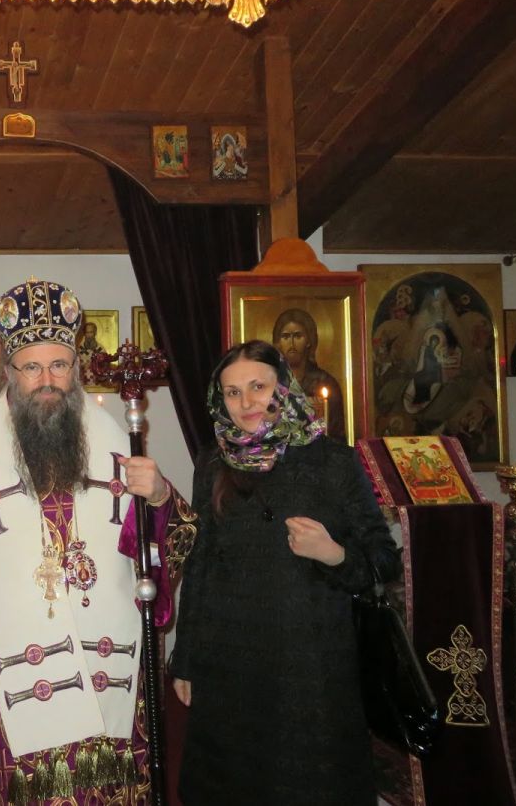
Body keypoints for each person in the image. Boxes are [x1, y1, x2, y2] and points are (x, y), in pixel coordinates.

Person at [0, 277, 195, 804]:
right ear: (9, 374)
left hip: (113, 679)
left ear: (75, 370)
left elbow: (173, 546)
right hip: (12, 688)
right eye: (31, 368)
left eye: (58, 366)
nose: (46, 381)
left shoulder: (117, 450)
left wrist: (161, 498)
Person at [170, 340, 398, 806]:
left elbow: (383, 560)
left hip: (308, 664)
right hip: (229, 660)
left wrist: (332, 553)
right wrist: (186, 659)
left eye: (258, 387)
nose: (246, 403)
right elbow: (200, 562)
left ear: (283, 388)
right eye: (233, 393)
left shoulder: (333, 461)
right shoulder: (211, 462)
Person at [271, 308, 346, 441]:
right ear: (278, 343)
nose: (291, 343)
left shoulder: (326, 382)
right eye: (285, 336)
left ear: (309, 341)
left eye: (298, 336)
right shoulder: (270, 383)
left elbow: (336, 432)